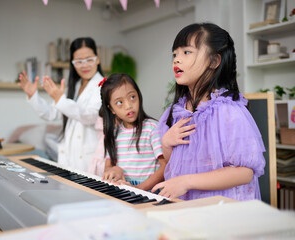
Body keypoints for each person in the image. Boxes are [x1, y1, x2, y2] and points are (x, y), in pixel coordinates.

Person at [151, 23, 266, 201]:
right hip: (188, 205)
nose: (176, 59)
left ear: (214, 61)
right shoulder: (175, 112)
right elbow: (176, 164)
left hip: (221, 207)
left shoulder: (228, 112)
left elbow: (244, 173)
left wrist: (186, 182)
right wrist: (166, 144)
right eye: (175, 54)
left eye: (186, 52)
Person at [18, 37, 104, 173]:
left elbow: (91, 116)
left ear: (97, 59)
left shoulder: (103, 85)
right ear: (73, 63)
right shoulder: (74, 86)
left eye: (89, 59)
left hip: (88, 157)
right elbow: (52, 114)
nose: (84, 65)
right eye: (79, 61)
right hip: (70, 155)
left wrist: (60, 99)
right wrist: (33, 96)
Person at [100, 73, 166, 191]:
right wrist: (115, 169)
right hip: (125, 195)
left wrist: (138, 188)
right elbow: (107, 168)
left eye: (132, 97)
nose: (128, 106)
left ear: (138, 95)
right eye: (119, 103)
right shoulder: (113, 134)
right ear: (111, 109)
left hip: (149, 194)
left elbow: (165, 166)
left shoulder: (152, 128)